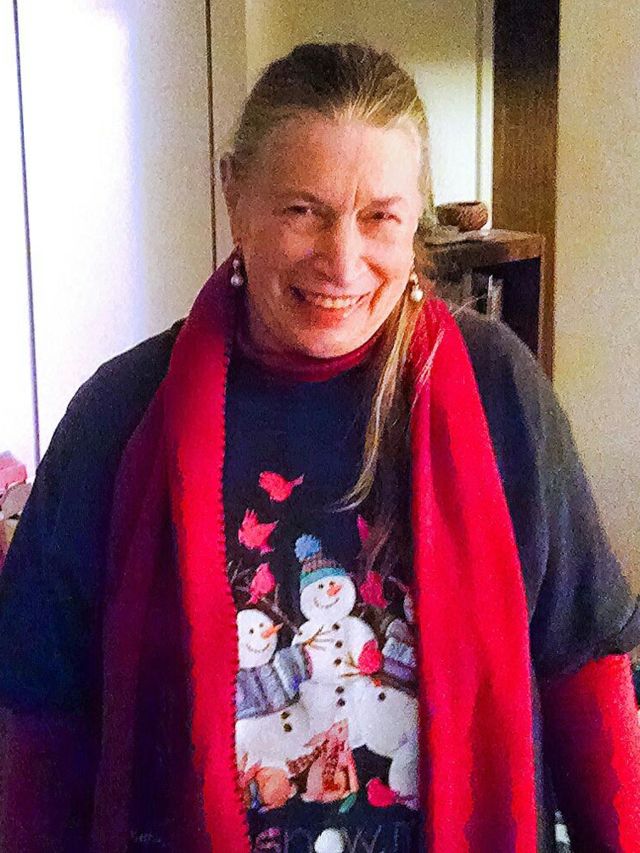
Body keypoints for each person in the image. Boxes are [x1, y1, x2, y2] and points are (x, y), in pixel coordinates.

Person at [0, 42, 639, 853]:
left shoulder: (498, 388)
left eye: (380, 217)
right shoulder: (119, 413)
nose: (342, 261)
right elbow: (40, 719)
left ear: (416, 219)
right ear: (235, 195)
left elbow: (587, 674)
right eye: (303, 210)